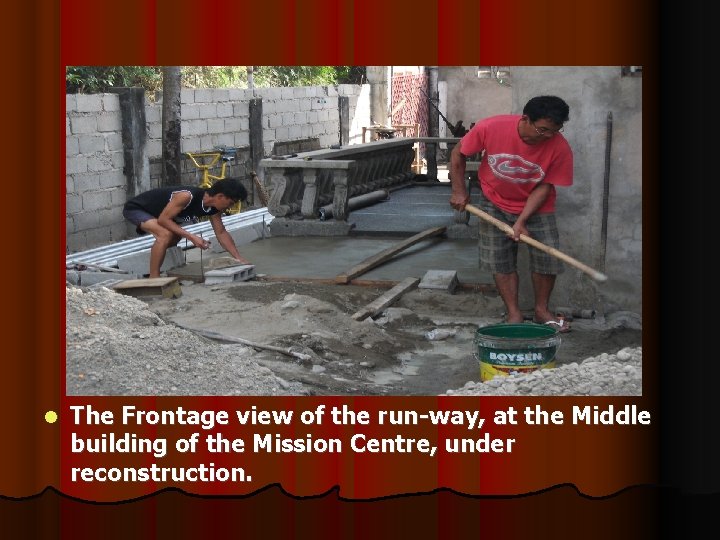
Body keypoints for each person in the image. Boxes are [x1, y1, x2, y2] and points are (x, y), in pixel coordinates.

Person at [449, 95, 573, 332]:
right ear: (526, 119)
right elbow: (458, 153)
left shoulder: (559, 146)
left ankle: (541, 311)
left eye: (554, 131)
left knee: (547, 259)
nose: (548, 136)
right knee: (500, 260)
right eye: (543, 129)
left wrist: (522, 220)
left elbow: (545, 186)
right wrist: (458, 190)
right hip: (493, 201)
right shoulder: (491, 128)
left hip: (538, 206)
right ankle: (514, 314)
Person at [122, 178, 251, 278]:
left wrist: (237, 258)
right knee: (165, 234)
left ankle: (160, 264)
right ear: (220, 196)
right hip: (137, 209)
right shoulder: (187, 196)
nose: (229, 207)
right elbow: (163, 220)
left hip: (159, 214)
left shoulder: (214, 209)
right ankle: (154, 278)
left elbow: (221, 232)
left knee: (175, 235)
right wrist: (192, 237)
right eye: (230, 203)